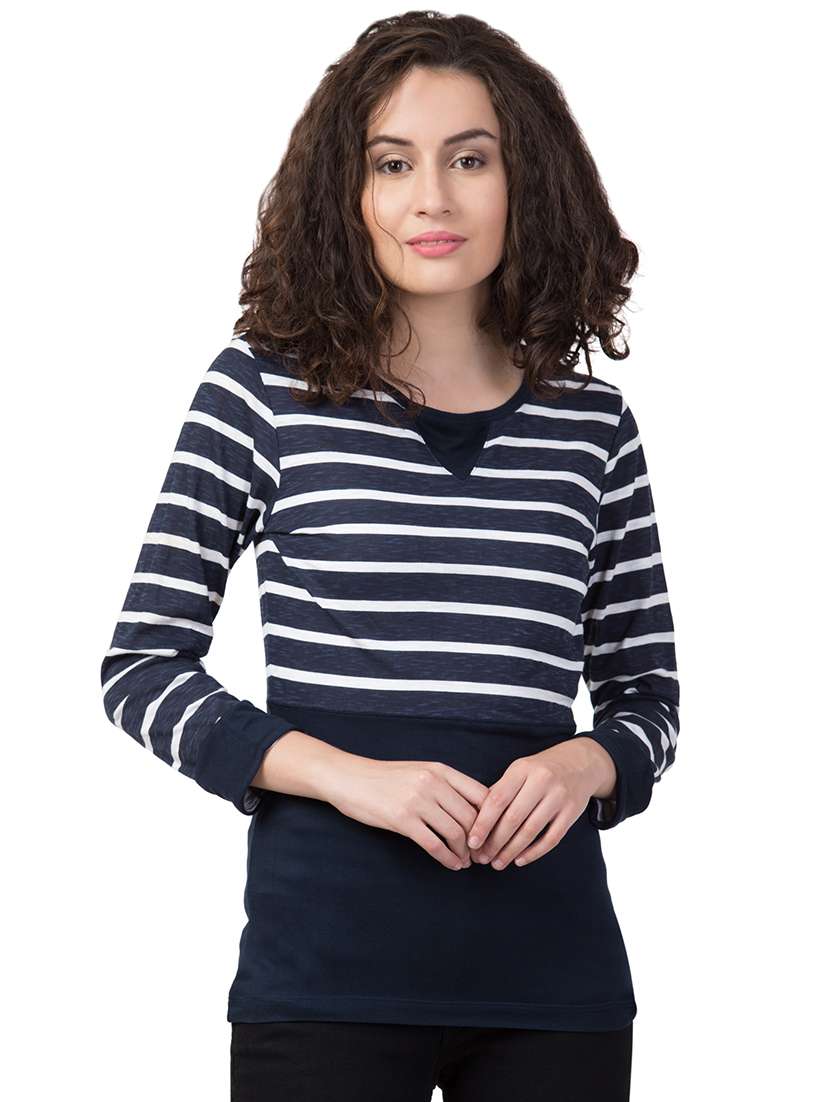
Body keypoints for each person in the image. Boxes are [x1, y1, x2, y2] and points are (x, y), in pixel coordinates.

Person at [100, 12, 680, 1101]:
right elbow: (141, 668)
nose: (433, 200)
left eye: (471, 159)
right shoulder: (259, 393)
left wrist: (587, 763)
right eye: (392, 163)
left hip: (554, 988)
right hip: (323, 982)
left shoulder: (593, 429)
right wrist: (350, 779)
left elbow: (647, 697)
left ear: (527, 181)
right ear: (347, 191)